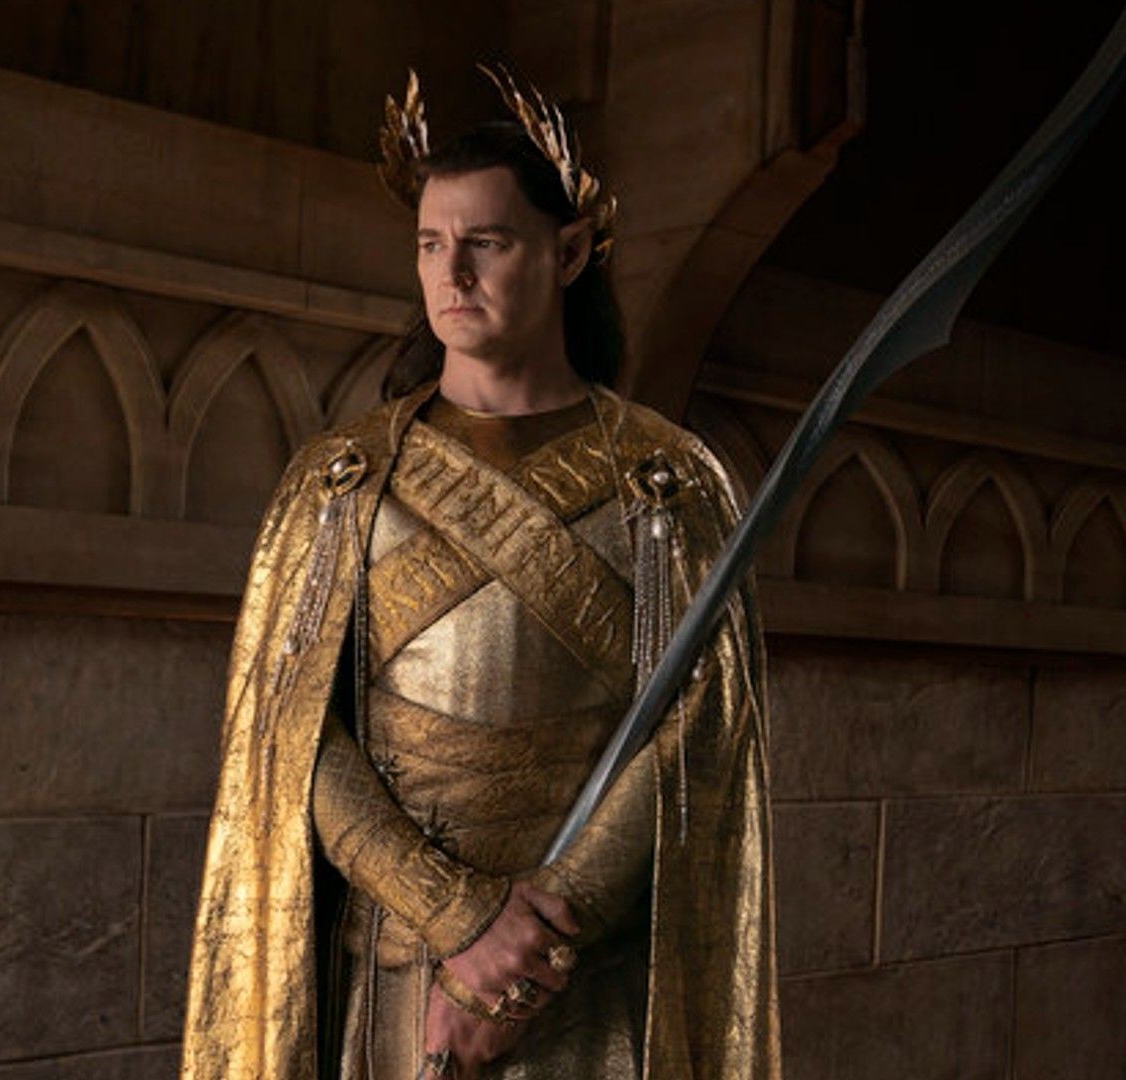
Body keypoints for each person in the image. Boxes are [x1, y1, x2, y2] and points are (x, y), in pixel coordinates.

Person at [183, 67, 779, 1080]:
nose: (451, 273)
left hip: (590, 997)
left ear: (570, 252)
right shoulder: (340, 482)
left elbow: (698, 735)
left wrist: (531, 948)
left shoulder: (667, 481)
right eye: (430, 244)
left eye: (487, 243)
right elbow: (288, 733)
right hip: (398, 987)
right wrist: (459, 916)